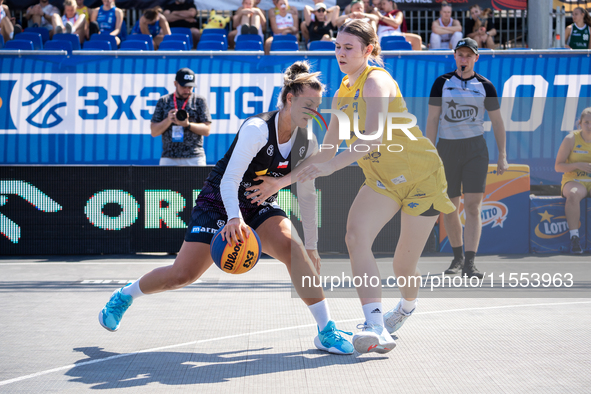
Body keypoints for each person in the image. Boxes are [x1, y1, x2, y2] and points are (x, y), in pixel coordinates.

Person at [99, 61, 355, 356]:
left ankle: (326, 331)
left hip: (258, 200)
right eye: (309, 104)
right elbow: (230, 180)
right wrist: (234, 217)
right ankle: (124, 296)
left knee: (295, 250)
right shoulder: (258, 128)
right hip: (219, 200)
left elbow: (307, 192)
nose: (315, 111)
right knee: (182, 275)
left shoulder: (306, 141)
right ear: (289, 99)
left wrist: (312, 245)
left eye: (318, 105)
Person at [251, 19, 455, 354]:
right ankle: (375, 325)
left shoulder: (376, 81)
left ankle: (406, 306)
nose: (341, 53)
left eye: (349, 48)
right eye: (337, 47)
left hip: (422, 178)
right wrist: (282, 181)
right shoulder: (345, 89)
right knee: (355, 237)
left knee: (403, 267)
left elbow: (373, 135)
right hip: (382, 180)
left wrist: (332, 165)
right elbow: (327, 150)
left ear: (368, 50)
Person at [426, 38, 508, 278]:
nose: (464, 59)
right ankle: (457, 258)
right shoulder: (441, 83)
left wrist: (502, 155)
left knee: (473, 206)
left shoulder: (486, 86)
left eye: (468, 56)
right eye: (460, 55)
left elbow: (498, 122)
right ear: (454, 56)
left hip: (475, 149)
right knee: (450, 207)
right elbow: (432, 120)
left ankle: (470, 263)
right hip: (448, 149)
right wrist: (430, 152)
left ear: (476, 58)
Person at [151, 68, 211, 166]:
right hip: (169, 157)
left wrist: (187, 124)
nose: (187, 90)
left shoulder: (199, 101)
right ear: (175, 84)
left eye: (190, 87)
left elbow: (207, 130)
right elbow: (154, 131)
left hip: (194, 156)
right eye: (184, 86)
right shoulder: (164, 101)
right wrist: (168, 120)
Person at [555, 107, 591, 254]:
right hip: (574, 180)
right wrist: (577, 165)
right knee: (574, 194)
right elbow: (558, 166)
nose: (590, 126)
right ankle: (574, 238)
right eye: (586, 122)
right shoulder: (571, 139)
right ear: (580, 123)